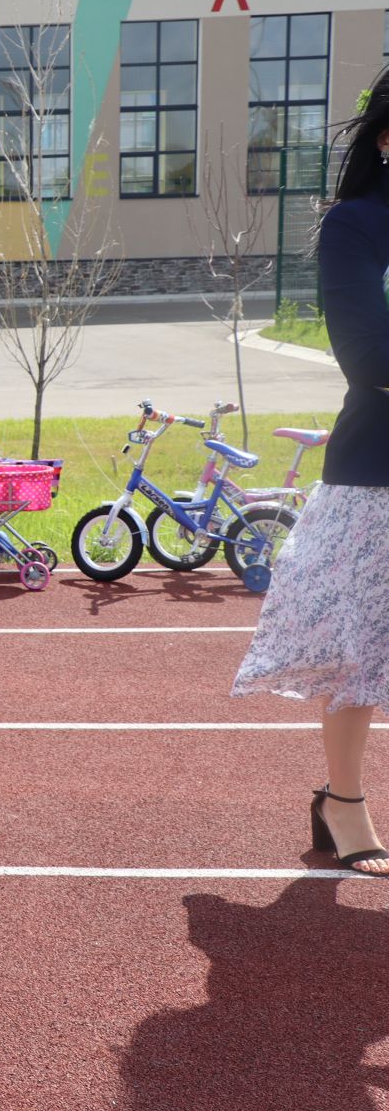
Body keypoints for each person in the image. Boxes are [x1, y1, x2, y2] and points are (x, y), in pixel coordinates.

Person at [233, 66, 389, 875]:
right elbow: (370, 357)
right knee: (363, 650)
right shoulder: (357, 226)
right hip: (379, 474)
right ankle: (345, 802)